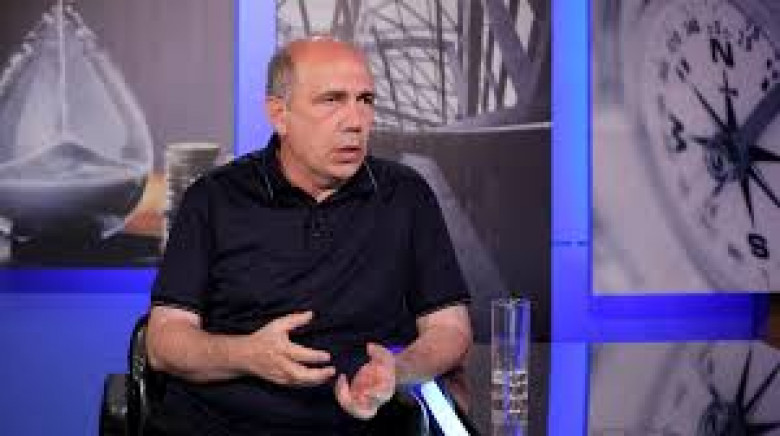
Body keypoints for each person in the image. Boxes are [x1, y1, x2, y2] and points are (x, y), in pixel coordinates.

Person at [145, 35, 472, 435]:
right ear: (279, 114)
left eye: (365, 100)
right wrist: (246, 354)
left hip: (360, 426)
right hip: (221, 425)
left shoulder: (406, 195)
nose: (355, 122)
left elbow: (450, 329)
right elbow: (164, 342)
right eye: (332, 100)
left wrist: (396, 371)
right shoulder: (213, 198)